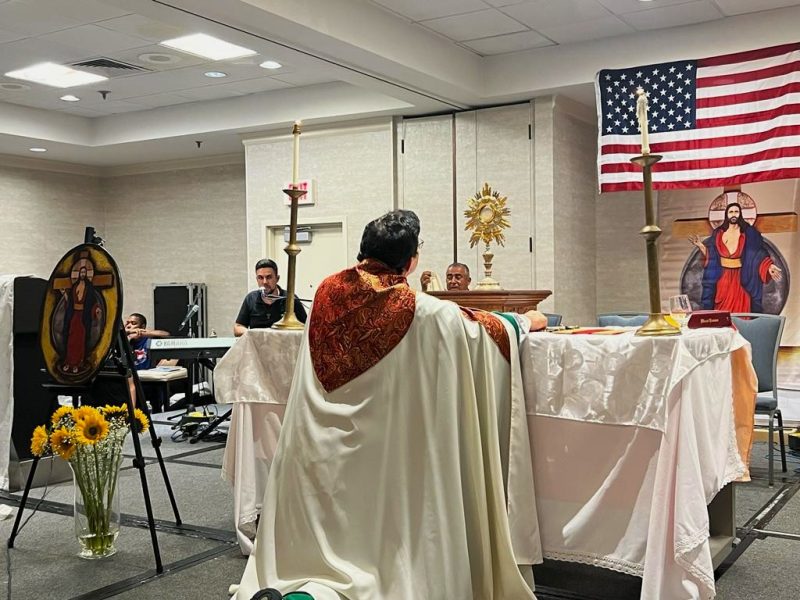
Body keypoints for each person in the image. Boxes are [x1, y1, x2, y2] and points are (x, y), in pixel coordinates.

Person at [234, 210, 542, 600]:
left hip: (318, 451)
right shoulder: (418, 309)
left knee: (326, 542)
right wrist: (523, 323)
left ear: (363, 250)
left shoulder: (326, 291)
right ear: (411, 261)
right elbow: (478, 330)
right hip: (383, 456)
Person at [689, 202, 782, 312]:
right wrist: (700, 245)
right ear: (726, 214)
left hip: (741, 278)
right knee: (722, 311)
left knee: (741, 311)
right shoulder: (718, 233)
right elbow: (712, 256)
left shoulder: (749, 233)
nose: (733, 214)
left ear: (740, 213)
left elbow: (757, 254)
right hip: (723, 279)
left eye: (736, 212)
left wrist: (769, 266)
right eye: (731, 212)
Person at [234, 259, 307, 337]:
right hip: (257, 343)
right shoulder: (251, 298)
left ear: (277, 278)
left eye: (269, 277)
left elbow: (306, 328)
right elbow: (238, 327)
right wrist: (253, 333)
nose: (264, 282)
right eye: (260, 278)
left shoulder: (290, 299)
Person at [60, 266, 101, 374]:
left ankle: (78, 363)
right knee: (71, 339)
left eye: (84, 272)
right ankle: (69, 362)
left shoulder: (89, 287)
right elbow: (70, 302)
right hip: (74, 315)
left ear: (86, 274)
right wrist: (64, 294)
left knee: (80, 340)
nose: (82, 274)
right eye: (81, 272)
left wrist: (96, 309)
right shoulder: (74, 286)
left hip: (83, 316)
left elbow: (93, 302)